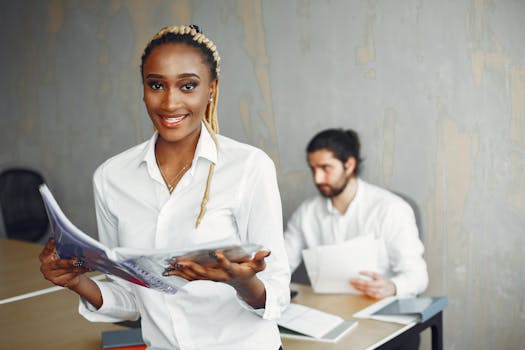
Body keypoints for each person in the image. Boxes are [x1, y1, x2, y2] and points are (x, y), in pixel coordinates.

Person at [39, 25, 290, 350]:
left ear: (212, 89)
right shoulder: (111, 177)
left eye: (188, 86)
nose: (170, 102)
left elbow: (278, 294)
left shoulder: (249, 167)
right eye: (156, 84)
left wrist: (244, 283)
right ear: (143, 88)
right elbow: (133, 296)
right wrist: (76, 281)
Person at [284, 128, 428, 299]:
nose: (317, 178)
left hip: (378, 308)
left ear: (349, 165)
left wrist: (391, 286)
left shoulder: (391, 209)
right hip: (327, 309)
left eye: (325, 168)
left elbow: (418, 277)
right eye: (313, 169)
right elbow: (282, 263)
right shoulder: (306, 213)